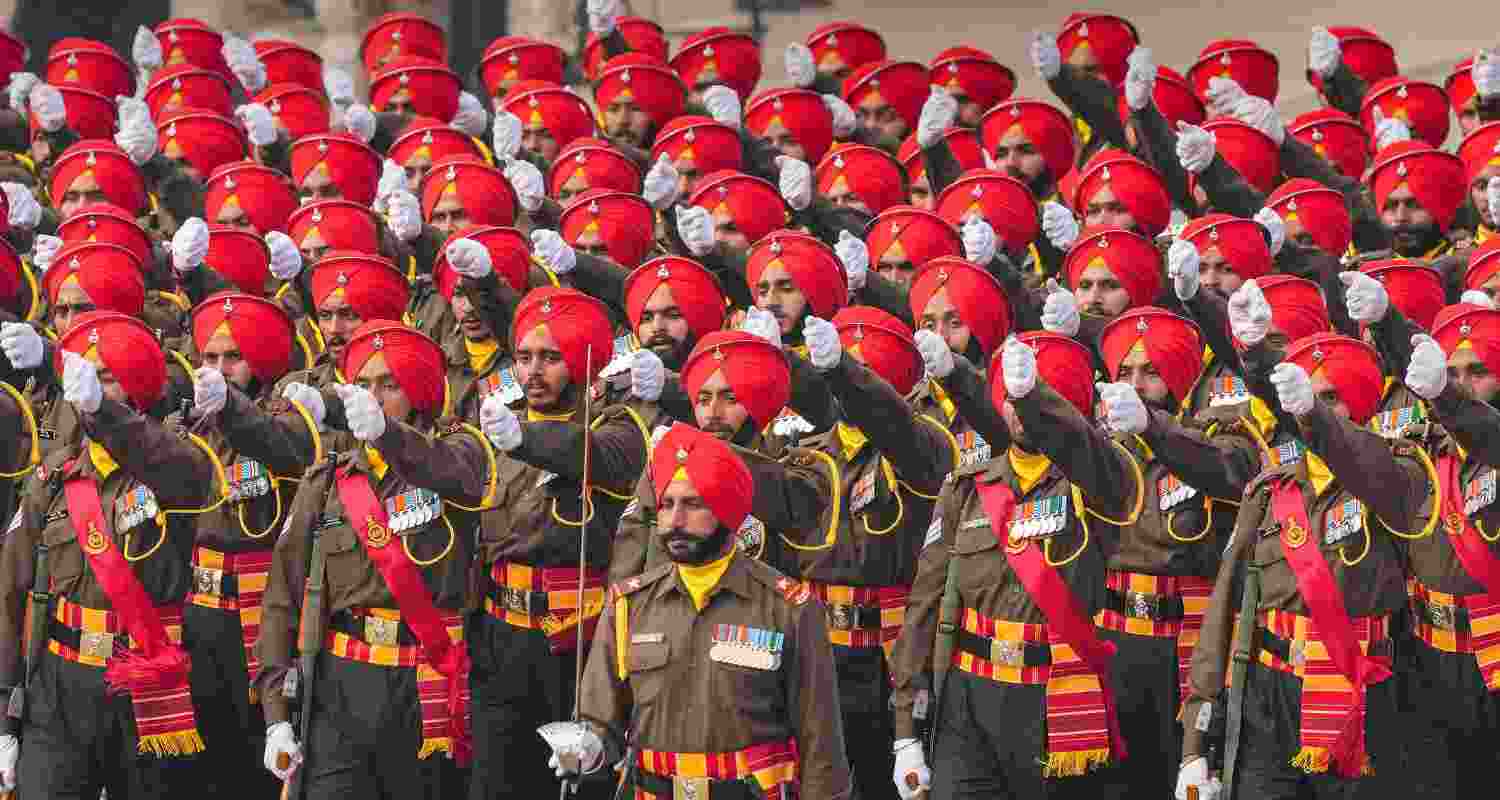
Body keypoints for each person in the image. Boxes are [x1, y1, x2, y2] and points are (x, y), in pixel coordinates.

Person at [557, 421, 853, 800]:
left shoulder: (788, 609)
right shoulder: (628, 605)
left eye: (693, 504)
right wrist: (588, 748)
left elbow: (821, 742)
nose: (675, 521)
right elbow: (600, 720)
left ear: (727, 510)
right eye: (667, 504)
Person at [257, 320, 486, 800]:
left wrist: (388, 435)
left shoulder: (458, 452)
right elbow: (282, 596)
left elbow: (452, 471)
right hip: (340, 685)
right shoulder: (328, 478)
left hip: (425, 682)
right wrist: (276, 715)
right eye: (363, 385)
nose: (373, 398)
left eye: (390, 385)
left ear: (418, 393)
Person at [0, 311, 219, 798]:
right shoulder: (53, 477)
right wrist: (3, 717)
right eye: (87, 377)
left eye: (107, 378)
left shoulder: (179, 465)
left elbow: (164, 457)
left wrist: (102, 411)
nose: (91, 390)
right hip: (60, 684)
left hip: (146, 680)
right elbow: (10, 590)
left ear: (137, 389)